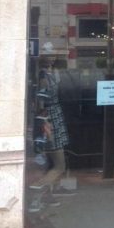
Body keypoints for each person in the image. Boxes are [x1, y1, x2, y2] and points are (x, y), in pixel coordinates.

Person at [29, 60, 74, 209]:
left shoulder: (49, 77)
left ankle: (46, 196)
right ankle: (38, 188)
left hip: (52, 120)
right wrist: (46, 124)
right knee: (59, 165)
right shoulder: (44, 79)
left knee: (51, 164)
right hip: (50, 122)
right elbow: (40, 104)